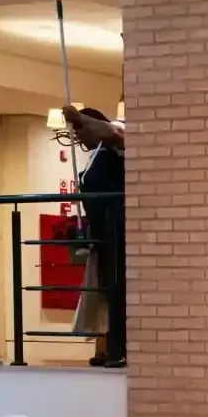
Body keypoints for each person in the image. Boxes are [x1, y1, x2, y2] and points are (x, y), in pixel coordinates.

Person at [64, 105, 125, 367]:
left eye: (82, 130)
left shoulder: (112, 148)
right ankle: (108, 345)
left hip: (118, 231)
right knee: (105, 292)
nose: (79, 137)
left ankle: (119, 349)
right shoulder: (96, 156)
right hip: (101, 234)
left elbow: (116, 134)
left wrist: (82, 118)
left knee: (118, 290)